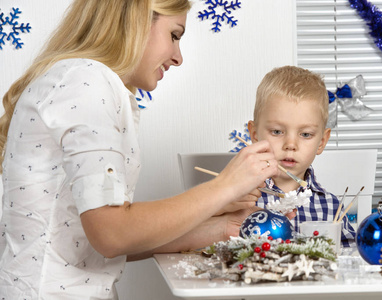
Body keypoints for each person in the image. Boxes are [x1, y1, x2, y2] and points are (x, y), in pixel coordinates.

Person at [0, 1, 283, 299]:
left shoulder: (80, 81)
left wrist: (225, 226)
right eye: (174, 35)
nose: (178, 57)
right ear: (135, 21)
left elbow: (101, 242)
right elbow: (113, 234)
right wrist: (224, 186)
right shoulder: (86, 83)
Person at [247, 66, 356, 246]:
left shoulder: (331, 207)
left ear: (321, 142)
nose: (291, 145)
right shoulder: (242, 200)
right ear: (255, 135)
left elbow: (347, 258)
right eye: (277, 131)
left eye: (305, 134)